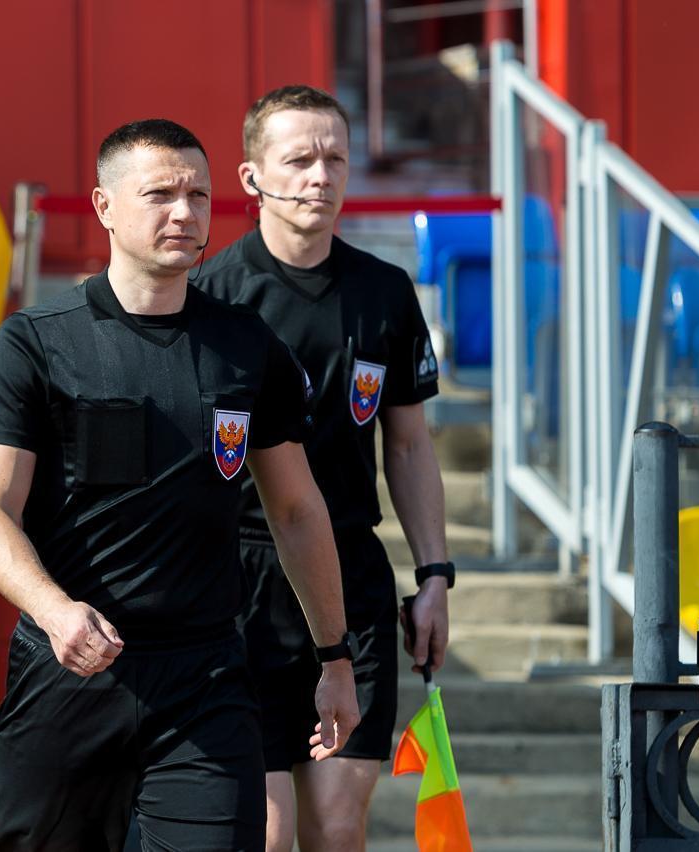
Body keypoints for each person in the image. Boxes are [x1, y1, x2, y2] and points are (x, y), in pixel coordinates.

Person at [0, 118, 360, 852]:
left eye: (198, 196)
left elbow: (297, 511)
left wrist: (335, 657)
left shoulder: (246, 346)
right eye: (160, 195)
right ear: (104, 206)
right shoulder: (35, 342)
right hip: (69, 669)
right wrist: (54, 612)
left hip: (205, 678)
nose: (184, 212)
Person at [196, 85, 453, 851]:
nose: (320, 175)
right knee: (268, 833)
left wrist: (434, 574)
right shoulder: (210, 297)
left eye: (335, 158)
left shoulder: (384, 292)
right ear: (251, 178)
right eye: (300, 159)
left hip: (351, 578)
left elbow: (408, 446)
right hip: (239, 580)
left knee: (337, 830)